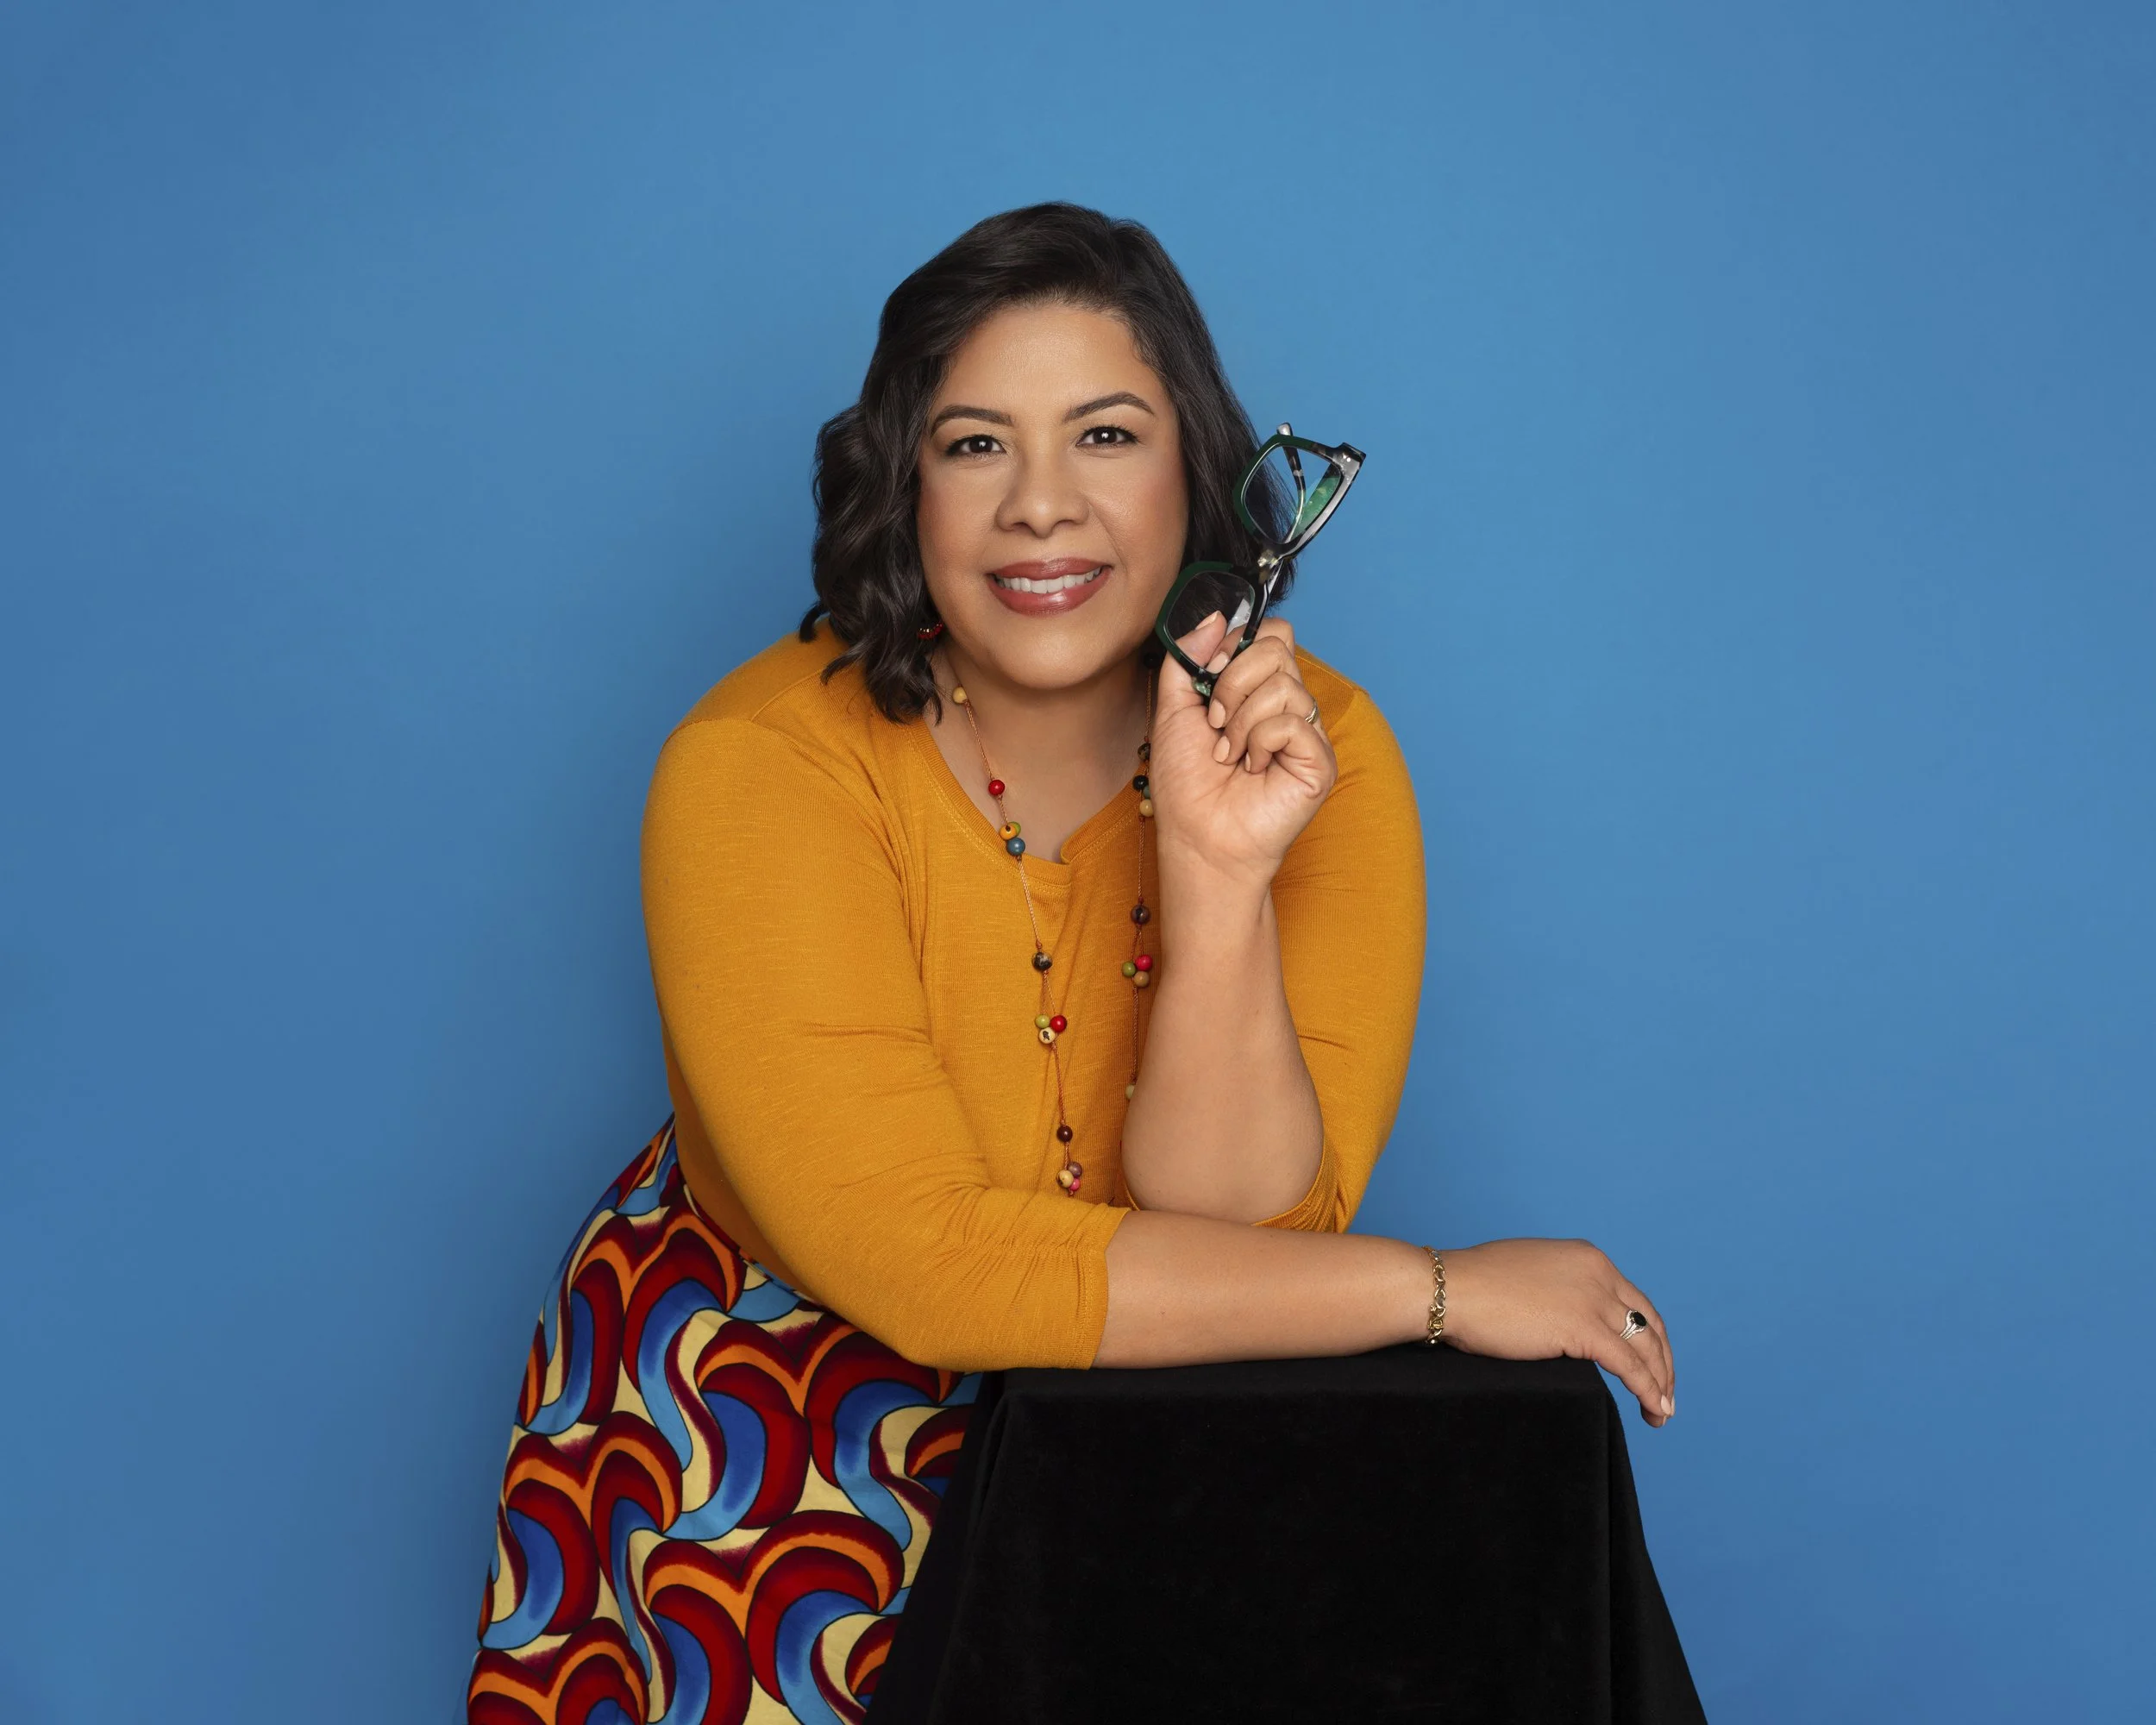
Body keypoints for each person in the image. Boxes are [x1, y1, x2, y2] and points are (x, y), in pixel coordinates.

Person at [467, 203, 1677, 1725]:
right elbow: (928, 1264)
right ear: (903, 484)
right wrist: (1441, 1294)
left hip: (1132, 1433)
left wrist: (1221, 877)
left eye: (1105, 435)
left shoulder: (1331, 755)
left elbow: (1252, 1221)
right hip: (767, 1425)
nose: (1041, 507)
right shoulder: (754, 768)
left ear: (1201, 469)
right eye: (976, 445)